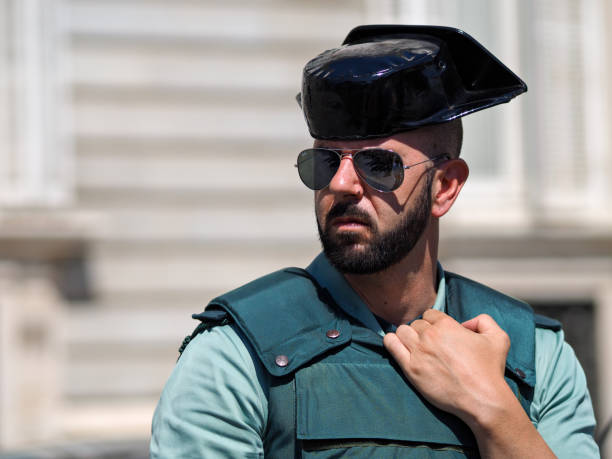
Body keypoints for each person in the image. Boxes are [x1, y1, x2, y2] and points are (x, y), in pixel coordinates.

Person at [151, 25, 599, 458]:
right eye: (325, 161)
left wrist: (495, 410)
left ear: (445, 187)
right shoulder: (234, 356)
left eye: (378, 165)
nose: (342, 183)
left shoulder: (536, 356)